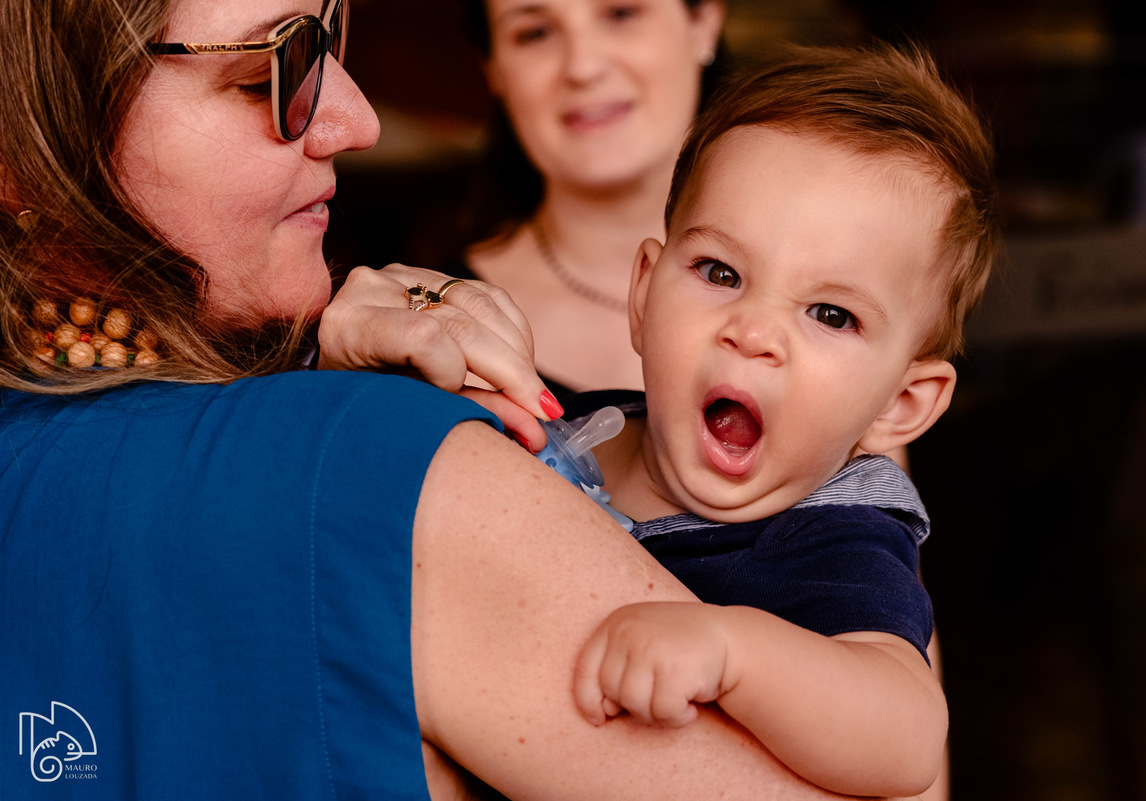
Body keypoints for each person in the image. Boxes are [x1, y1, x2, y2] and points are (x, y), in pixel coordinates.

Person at [0, 1, 886, 799]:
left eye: (331, 28)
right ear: (21, 147)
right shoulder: (385, 464)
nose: (356, 119)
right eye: (269, 66)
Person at [563, 44, 997, 799]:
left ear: (903, 403)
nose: (753, 331)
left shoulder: (832, 542)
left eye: (832, 314)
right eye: (720, 273)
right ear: (643, 294)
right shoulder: (571, 426)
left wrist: (735, 650)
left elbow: (907, 737)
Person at [445, 0, 726, 394]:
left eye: (620, 14)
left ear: (704, 22)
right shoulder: (438, 331)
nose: (583, 67)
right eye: (535, 33)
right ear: (494, 70)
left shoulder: (829, 284)